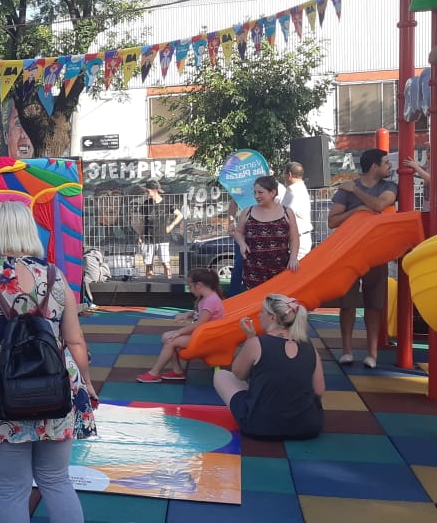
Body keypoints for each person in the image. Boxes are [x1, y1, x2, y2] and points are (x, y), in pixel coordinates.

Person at [0, 201, 97, 523]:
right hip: (56, 389)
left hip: (0, 396)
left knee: (11, 490)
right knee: (56, 480)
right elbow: (75, 341)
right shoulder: (55, 276)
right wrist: (86, 382)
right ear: (30, 230)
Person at [214, 294, 325, 440]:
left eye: (262, 312)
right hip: (308, 427)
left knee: (221, 375)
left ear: (272, 318)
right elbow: (319, 390)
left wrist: (250, 339)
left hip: (260, 427)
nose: (259, 316)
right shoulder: (309, 346)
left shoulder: (257, 343)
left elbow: (238, 373)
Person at [327, 149, 398, 369]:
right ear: (374, 167)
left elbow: (379, 205)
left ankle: (372, 353)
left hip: (376, 252)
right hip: (349, 252)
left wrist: (357, 193)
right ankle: (347, 351)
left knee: (374, 304)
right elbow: (333, 221)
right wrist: (358, 210)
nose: (390, 166)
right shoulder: (346, 191)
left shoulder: (389, 187)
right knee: (347, 304)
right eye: (386, 162)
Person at [137, 268, 225, 383]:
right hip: (203, 334)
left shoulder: (210, 300)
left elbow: (200, 323)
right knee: (166, 336)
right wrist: (188, 314)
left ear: (198, 285)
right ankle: (177, 372)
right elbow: (202, 313)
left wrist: (179, 332)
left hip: (207, 338)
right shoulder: (207, 297)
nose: (189, 290)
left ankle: (154, 373)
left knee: (170, 340)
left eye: (190, 286)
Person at [235, 176, 301, 290]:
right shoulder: (247, 212)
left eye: (260, 192)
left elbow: (294, 238)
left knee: (278, 303)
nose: (256, 196)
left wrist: (293, 258)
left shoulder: (287, 213)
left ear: (273, 192)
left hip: (280, 269)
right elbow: (238, 232)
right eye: (254, 192)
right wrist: (242, 244)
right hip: (253, 271)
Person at [140, 180, 183, 278]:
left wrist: (171, 226)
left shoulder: (166, 203)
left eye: (147, 191)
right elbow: (143, 221)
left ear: (155, 191)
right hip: (148, 237)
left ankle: (169, 283)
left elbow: (180, 215)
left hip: (162, 237)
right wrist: (141, 235)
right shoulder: (146, 204)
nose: (146, 193)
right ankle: (148, 284)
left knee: (165, 263)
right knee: (148, 264)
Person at [280, 162, 314, 260]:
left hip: (299, 239)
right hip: (298, 238)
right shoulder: (297, 189)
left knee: (295, 273)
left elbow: (285, 216)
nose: (283, 177)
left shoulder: (294, 192)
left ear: (289, 175)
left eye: (284, 174)